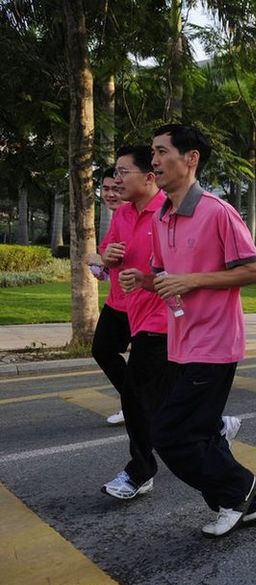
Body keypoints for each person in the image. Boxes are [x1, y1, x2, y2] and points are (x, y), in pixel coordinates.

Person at [145, 124, 256, 538]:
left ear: (191, 158)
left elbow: (255, 270)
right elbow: (164, 272)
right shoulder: (163, 216)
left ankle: (239, 489)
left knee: (170, 434)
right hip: (180, 340)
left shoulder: (217, 211)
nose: (155, 161)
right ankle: (243, 503)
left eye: (162, 152)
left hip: (214, 343)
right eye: (153, 153)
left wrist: (190, 281)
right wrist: (147, 281)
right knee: (198, 429)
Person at [100, 145, 170, 499]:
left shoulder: (168, 213)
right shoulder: (123, 214)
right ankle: (212, 427)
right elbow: (106, 255)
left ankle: (140, 471)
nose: (117, 178)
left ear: (148, 177)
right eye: (116, 171)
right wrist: (107, 256)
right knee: (151, 394)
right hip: (130, 308)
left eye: (124, 172)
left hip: (163, 318)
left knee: (135, 395)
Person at [91, 168, 129, 427]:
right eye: (105, 189)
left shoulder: (149, 214)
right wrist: (100, 261)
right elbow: (105, 256)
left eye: (116, 187)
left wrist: (99, 260)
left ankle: (214, 424)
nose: (111, 194)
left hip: (148, 304)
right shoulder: (119, 218)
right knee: (102, 350)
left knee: (154, 374)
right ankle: (134, 401)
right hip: (117, 301)